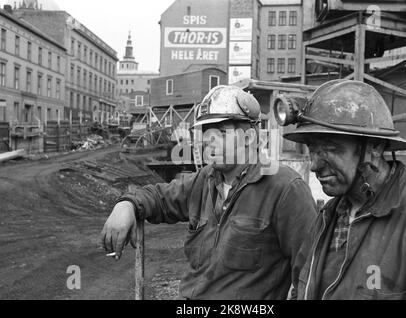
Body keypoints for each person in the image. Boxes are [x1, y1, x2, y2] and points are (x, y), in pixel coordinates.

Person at [101, 85, 317, 300]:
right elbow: (159, 197)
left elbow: (311, 272)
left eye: (222, 133)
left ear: (249, 138)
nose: (208, 141)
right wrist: (127, 204)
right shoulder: (206, 179)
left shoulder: (285, 189)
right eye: (206, 132)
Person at [282, 80, 406, 300]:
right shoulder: (327, 217)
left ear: (375, 147)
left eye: (331, 148)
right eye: (313, 150)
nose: (314, 165)